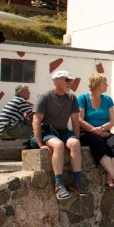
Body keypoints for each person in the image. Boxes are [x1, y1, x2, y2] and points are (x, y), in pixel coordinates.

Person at [32, 70, 85, 201]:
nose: (70, 83)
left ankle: (77, 182)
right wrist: (40, 144)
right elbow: (36, 120)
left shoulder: (72, 97)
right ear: (56, 81)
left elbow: (74, 120)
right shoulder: (45, 97)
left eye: (71, 80)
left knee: (75, 143)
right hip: (47, 130)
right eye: (67, 80)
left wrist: (76, 137)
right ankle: (59, 184)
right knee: (58, 145)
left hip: (62, 130)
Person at [78, 73, 114, 188]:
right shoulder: (82, 98)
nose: (107, 85)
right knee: (98, 143)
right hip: (87, 133)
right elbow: (79, 119)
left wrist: (102, 128)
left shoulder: (108, 99)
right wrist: (94, 130)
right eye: (105, 83)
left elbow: (112, 120)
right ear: (97, 84)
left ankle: (110, 177)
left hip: (104, 131)